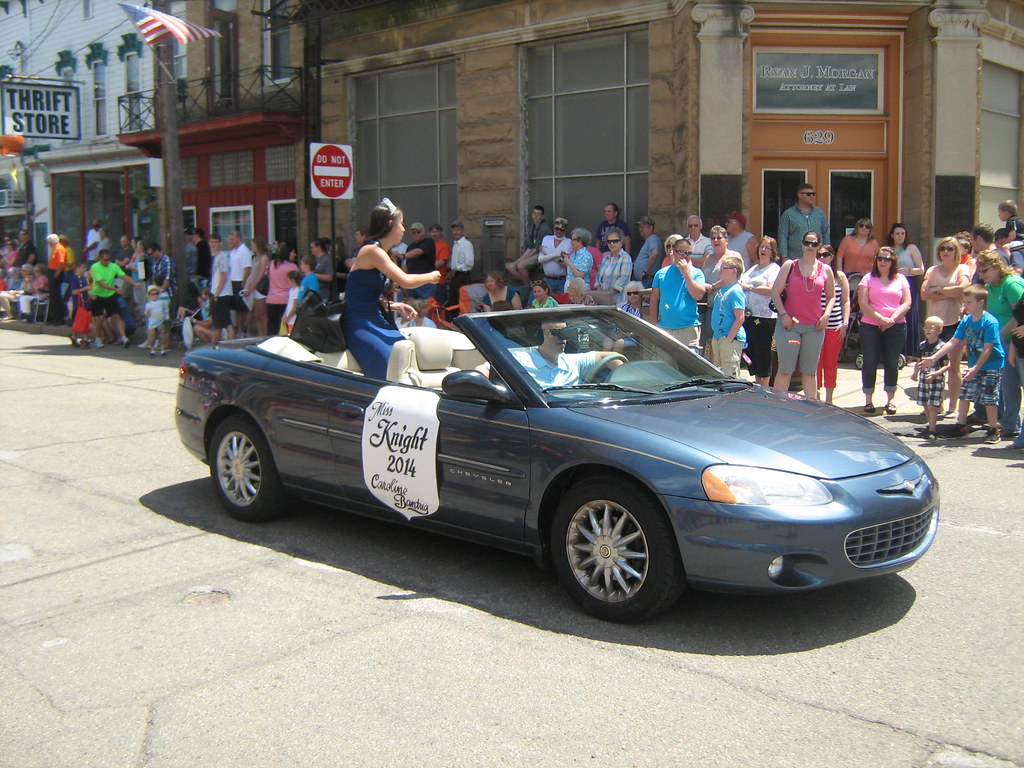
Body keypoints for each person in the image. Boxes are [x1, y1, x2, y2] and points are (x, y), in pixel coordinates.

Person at [342, 198, 441, 379]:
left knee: (404, 353)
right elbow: (405, 281)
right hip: (358, 321)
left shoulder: (382, 253)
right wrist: (432, 276)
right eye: (401, 224)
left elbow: (366, 293)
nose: (404, 229)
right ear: (390, 224)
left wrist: (395, 306)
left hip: (375, 317)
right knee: (388, 363)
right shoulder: (371, 251)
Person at [920, 284, 1005, 443]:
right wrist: (934, 357)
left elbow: (988, 349)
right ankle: (961, 426)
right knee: (965, 394)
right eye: (964, 302)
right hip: (974, 363)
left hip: (992, 364)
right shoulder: (966, 321)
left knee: (989, 397)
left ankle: (993, 429)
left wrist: (975, 368)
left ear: (980, 302)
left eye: (968, 302)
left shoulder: (990, 322)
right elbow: (953, 342)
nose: (965, 306)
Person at [770, 230, 835, 399]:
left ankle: (811, 409)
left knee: (809, 372)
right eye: (807, 243)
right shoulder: (790, 265)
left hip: (814, 326)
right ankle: (779, 406)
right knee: (785, 370)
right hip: (789, 325)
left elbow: (831, 296)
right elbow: (775, 293)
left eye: (814, 244)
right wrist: (784, 315)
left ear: (819, 246)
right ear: (802, 244)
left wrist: (826, 315)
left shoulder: (826, 270)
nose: (810, 246)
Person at [975, 250, 1024, 439]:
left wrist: (1000, 334)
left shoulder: (1011, 284)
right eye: (980, 272)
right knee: (1008, 385)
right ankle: (1010, 426)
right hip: (1004, 341)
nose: (983, 275)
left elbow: (1019, 314)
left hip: (1016, 340)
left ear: (997, 267)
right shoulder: (990, 286)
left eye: (986, 270)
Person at [858, 246, 912, 414]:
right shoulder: (867, 278)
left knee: (892, 362)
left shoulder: (901, 279)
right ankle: (868, 400)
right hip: (870, 326)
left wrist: (891, 320)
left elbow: (907, 302)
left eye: (887, 259)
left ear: (892, 261)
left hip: (896, 326)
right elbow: (863, 303)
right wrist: (880, 319)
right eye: (880, 258)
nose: (883, 262)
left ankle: (890, 400)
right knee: (870, 362)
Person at [922, 237, 971, 414]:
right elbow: (924, 294)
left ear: (956, 251)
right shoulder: (932, 270)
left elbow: (962, 289)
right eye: (943, 248)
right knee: (932, 365)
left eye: (950, 248)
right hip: (934, 324)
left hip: (954, 322)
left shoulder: (962, 268)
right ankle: (934, 404)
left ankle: (952, 405)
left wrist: (938, 289)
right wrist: (949, 292)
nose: (946, 251)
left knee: (953, 365)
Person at [510, 319, 622, 387]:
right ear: (539, 336)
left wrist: (628, 376)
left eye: (565, 332)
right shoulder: (521, 360)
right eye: (554, 333)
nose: (562, 338)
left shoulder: (572, 361)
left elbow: (608, 357)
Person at [650, 236, 706, 349]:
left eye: (689, 253)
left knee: (687, 367)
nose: (685, 255)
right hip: (665, 328)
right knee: (665, 365)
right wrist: (655, 324)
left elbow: (698, 295)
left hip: (688, 329)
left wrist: (686, 274)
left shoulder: (697, 273)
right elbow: (654, 299)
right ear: (673, 252)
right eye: (682, 252)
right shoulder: (661, 274)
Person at [740, 237, 781, 387]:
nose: (763, 250)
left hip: (765, 318)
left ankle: (765, 387)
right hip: (749, 316)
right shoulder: (753, 268)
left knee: (764, 353)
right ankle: (757, 383)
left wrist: (749, 287)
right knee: (751, 353)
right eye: (762, 247)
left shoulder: (774, 269)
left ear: (772, 252)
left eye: (767, 248)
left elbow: (771, 289)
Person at [814, 244, 851, 403]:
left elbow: (846, 301)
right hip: (816, 326)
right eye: (820, 254)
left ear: (832, 256)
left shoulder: (840, 276)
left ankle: (829, 399)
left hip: (834, 325)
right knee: (815, 363)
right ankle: (816, 396)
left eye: (827, 254)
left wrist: (845, 322)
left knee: (830, 363)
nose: (823, 257)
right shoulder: (814, 274)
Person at [89, 248, 140, 348]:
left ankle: (123, 337)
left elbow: (124, 276)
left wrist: (134, 283)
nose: (107, 262)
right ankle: (98, 338)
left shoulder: (113, 266)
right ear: (100, 259)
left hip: (110, 294)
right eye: (105, 260)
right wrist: (115, 289)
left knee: (116, 316)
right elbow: (100, 283)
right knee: (100, 317)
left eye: (109, 259)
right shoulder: (95, 267)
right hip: (98, 294)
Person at [889, 223, 925, 359]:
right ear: (892, 235)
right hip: (893, 284)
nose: (900, 236)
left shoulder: (911, 248)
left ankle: (910, 351)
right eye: (897, 233)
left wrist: (909, 270)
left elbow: (921, 269)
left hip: (910, 283)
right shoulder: (889, 250)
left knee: (909, 315)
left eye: (902, 233)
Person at [912, 316, 951, 440]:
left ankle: (933, 429)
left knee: (932, 405)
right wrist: (915, 373)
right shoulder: (922, 345)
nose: (928, 330)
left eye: (931, 328)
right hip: (924, 378)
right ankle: (930, 426)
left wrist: (937, 373)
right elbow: (919, 361)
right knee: (925, 403)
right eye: (926, 327)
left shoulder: (942, 346)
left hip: (936, 379)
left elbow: (948, 365)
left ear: (939, 330)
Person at [710, 255, 746, 378]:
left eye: (723, 268)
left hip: (729, 338)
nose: (720, 270)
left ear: (733, 271)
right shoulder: (724, 289)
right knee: (719, 375)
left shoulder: (735, 291)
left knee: (730, 374)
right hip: (719, 336)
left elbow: (740, 317)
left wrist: (729, 339)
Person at [777, 183, 830, 260]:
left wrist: (826, 253)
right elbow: (782, 236)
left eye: (813, 194)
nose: (811, 196)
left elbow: (825, 233)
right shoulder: (788, 214)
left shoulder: (819, 213)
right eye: (808, 194)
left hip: (817, 259)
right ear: (799, 195)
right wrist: (784, 257)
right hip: (795, 258)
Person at [508, 205, 552, 284]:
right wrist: (520, 259)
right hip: (532, 252)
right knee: (511, 268)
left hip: (542, 254)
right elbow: (530, 246)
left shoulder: (545, 229)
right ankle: (531, 285)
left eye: (538, 214)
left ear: (542, 216)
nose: (536, 216)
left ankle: (529, 289)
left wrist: (523, 260)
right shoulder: (532, 228)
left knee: (521, 266)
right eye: (534, 213)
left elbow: (537, 249)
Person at [594, 227, 632, 304]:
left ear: (621, 242)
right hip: (603, 300)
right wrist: (601, 294)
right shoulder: (605, 258)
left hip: (619, 300)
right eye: (609, 241)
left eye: (615, 241)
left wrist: (610, 294)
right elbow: (598, 277)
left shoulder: (625, 257)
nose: (612, 244)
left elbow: (624, 278)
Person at [265, 241, 294, 334]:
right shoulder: (291, 267)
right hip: (285, 299)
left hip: (271, 299)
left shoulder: (271, 265)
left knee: (272, 325)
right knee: (282, 326)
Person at [402, 223, 437, 300]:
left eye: (418, 232)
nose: (416, 235)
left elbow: (418, 251)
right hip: (413, 282)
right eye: (414, 233)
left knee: (425, 308)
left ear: (423, 232)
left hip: (426, 283)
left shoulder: (428, 242)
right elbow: (407, 265)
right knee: (413, 308)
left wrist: (403, 256)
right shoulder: (410, 247)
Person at [209, 234, 235, 341]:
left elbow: (223, 276)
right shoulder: (214, 257)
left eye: (216, 242)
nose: (214, 244)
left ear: (220, 243)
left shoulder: (222, 257)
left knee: (223, 322)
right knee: (219, 322)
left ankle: (226, 343)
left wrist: (217, 294)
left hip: (222, 293)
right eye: (212, 242)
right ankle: (218, 344)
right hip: (215, 291)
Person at [244, 236, 270, 337]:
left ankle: (265, 335)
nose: (252, 247)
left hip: (260, 287)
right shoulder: (254, 257)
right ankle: (260, 335)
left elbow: (261, 273)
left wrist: (253, 286)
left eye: (253, 245)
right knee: (257, 314)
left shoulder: (264, 257)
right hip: (253, 287)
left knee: (263, 314)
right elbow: (253, 273)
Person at [537, 217, 572, 290]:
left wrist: (546, 252)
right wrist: (558, 254)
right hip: (547, 279)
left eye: (561, 230)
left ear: (565, 230)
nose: (559, 231)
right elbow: (540, 259)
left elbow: (563, 262)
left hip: (561, 280)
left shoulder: (569, 242)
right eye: (557, 229)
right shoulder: (546, 239)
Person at [448, 221, 475, 314]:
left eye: (458, 230)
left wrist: (457, 269)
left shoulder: (466, 244)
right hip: (455, 277)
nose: (455, 232)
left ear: (462, 231)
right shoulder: (455, 244)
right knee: (453, 300)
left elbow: (469, 263)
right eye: (454, 230)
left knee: (462, 300)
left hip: (462, 276)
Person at [68, 261, 93, 348]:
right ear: (77, 268)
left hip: (85, 303)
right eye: (82, 267)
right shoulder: (74, 278)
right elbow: (74, 292)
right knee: (77, 321)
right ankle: (75, 336)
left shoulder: (83, 278)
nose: (84, 270)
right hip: (77, 304)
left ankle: (84, 338)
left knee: (84, 321)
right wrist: (85, 288)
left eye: (85, 268)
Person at [45, 233, 68, 323]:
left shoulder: (59, 249)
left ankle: (59, 318)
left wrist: (55, 275)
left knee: (56, 297)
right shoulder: (56, 249)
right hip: (53, 272)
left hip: (56, 274)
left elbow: (61, 263)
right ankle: (54, 317)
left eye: (49, 242)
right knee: (53, 296)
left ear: (51, 242)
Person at [142, 285, 170, 356]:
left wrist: (166, 316)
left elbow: (165, 310)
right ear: (149, 296)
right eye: (153, 294)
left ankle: (162, 349)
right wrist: (147, 314)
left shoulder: (161, 302)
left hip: (160, 320)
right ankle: (152, 349)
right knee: (152, 336)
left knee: (161, 335)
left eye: (156, 294)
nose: (155, 296)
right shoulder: (148, 304)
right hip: (152, 322)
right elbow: (146, 314)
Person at [430, 224, 451, 305]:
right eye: (432, 232)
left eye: (436, 232)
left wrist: (426, 268)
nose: (434, 234)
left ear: (441, 233)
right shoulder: (429, 245)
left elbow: (441, 262)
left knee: (439, 306)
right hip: (429, 281)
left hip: (439, 281)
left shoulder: (444, 245)